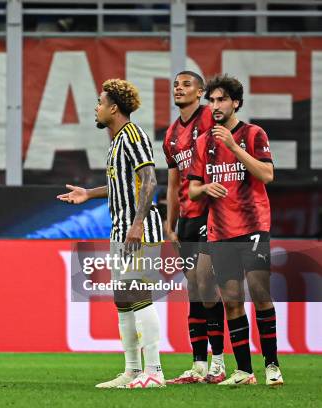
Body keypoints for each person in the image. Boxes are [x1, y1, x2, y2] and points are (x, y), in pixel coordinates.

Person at [58, 79, 165, 389]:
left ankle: (154, 371)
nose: (97, 108)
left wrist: (137, 223)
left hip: (137, 229)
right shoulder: (117, 141)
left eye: (100, 102)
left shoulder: (133, 136)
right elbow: (123, 184)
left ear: (114, 108)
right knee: (123, 299)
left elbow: (149, 180)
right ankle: (132, 370)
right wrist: (88, 194)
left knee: (138, 294)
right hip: (121, 228)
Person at [188, 74, 283, 386]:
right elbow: (192, 191)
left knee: (260, 293)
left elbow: (267, 174)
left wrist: (234, 146)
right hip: (220, 230)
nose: (215, 106)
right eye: (211, 100)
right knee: (230, 300)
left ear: (236, 103)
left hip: (254, 225)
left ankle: (272, 365)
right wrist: (206, 188)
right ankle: (244, 371)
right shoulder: (202, 142)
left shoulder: (253, 134)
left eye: (221, 100)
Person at [163, 71, 226, 384]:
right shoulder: (171, 134)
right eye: (176, 84)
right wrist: (169, 222)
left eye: (186, 84)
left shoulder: (210, 122)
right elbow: (174, 181)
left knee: (206, 283)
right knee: (193, 288)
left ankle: (219, 361)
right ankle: (199, 364)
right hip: (186, 218)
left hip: (210, 215)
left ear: (201, 92)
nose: (179, 88)